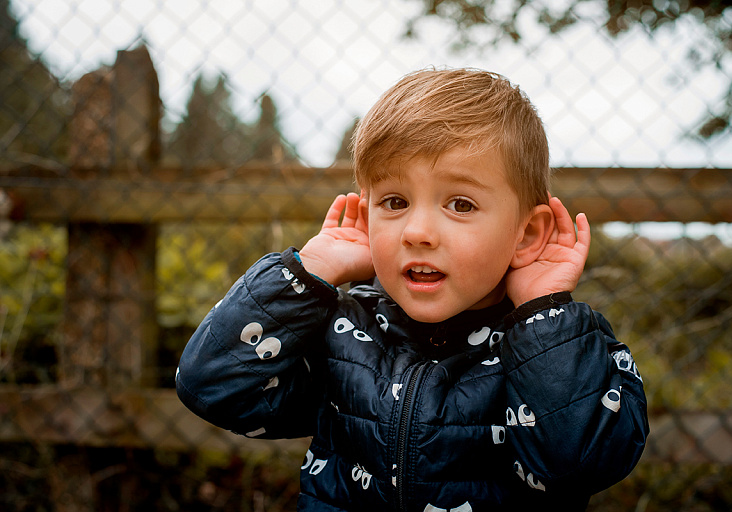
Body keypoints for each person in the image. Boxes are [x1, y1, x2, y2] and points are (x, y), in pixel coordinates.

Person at [176, 67, 649, 511]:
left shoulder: (555, 345)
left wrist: (544, 312)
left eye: (460, 204)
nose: (417, 231)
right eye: (395, 201)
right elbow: (211, 385)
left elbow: (581, 463)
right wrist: (308, 271)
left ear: (525, 234)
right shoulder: (341, 330)